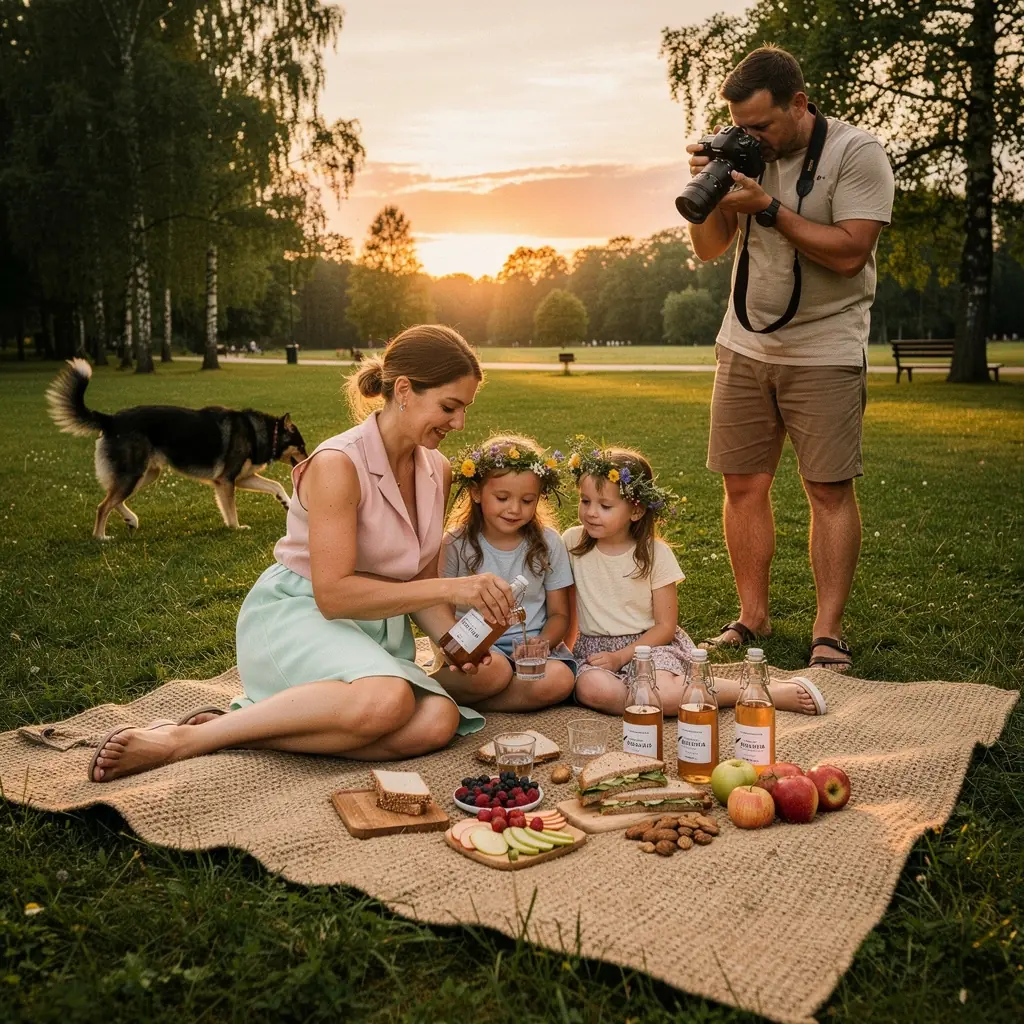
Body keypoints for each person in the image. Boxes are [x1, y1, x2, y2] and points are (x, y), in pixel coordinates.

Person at [90, 325, 515, 783]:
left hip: (373, 630)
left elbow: (421, 588)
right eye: (449, 407)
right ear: (405, 391)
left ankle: (236, 729)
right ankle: (182, 741)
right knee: (390, 700)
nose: (459, 424)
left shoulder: (438, 468)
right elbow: (334, 595)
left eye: (464, 410)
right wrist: (458, 587)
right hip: (302, 613)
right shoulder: (338, 464)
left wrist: (455, 644)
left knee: (441, 720)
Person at [686, 45, 894, 672]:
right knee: (742, 484)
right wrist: (707, 188)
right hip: (745, 342)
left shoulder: (856, 153)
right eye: (740, 127)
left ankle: (827, 632)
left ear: (798, 104)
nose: (751, 138)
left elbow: (850, 251)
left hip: (825, 346)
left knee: (827, 489)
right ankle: (752, 617)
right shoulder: (743, 156)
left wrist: (771, 210)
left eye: (761, 126)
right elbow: (710, 250)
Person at [564, 440, 826, 718]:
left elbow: (665, 627)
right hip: (595, 650)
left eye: (605, 505)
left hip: (649, 646)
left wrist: (621, 657)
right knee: (591, 690)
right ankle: (650, 703)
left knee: (661, 692)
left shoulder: (654, 554)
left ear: (637, 510)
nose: (591, 512)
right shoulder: (571, 543)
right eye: (585, 501)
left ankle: (756, 691)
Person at [438, 434, 577, 709]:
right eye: (502, 498)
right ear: (476, 492)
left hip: (532, 653)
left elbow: (560, 614)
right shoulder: (455, 543)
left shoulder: (548, 543)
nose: (515, 509)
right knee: (496, 670)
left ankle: (482, 701)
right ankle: (497, 690)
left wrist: (542, 643)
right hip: (478, 652)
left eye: (527, 500)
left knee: (560, 678)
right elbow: (440, 610)